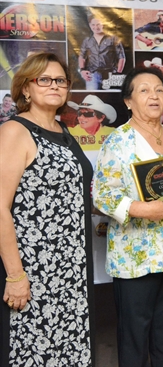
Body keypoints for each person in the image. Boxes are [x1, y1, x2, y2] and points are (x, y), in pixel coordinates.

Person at [92, 67, 163, 367]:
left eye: (158, 89)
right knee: (134, 333)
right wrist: (141, 209)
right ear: (128, 101)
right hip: (136, 257)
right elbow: (102, 196)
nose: (153, 96)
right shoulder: (118, 142)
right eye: (143, 90)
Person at [0, 53, 94, 365]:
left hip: (71, 270)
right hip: (34, 268)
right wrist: (15, 276)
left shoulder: (62, 130)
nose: (54, 85)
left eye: (60, 80)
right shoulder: (15, 131)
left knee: (68, 347)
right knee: (34, 349)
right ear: (26, 88)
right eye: (44, 79)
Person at [78, 14, 126, 90]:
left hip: (110, 75)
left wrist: (118, 74)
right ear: (90, 25)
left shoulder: (113, 38)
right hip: (92, 75)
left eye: (98, 24)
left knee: (110, 98)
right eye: (93, 25)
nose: (96, 27)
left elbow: (121, 57)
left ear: (103, 24)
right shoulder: (87, 41)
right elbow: (82, 57)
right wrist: (82, 70)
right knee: (92, 98)